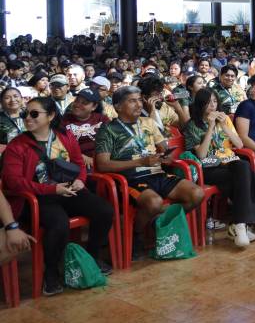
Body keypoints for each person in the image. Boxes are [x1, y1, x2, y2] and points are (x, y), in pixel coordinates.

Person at [2, 96, 115, 294]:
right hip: (37, 198)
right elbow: (14, 182)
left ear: (51, 116)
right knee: (58, 223)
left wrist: (80, 179)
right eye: (25, 113)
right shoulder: (17, 146)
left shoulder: (64, 136)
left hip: (68, 190)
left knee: (104, 210)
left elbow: (79, 163)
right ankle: (51, 272)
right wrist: (52, 189)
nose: (28, 118)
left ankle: (92, 255)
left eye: (34, 114)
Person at [95, 85, 203, 259]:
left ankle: (158, 224)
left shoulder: (149, 122)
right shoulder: (108, 130)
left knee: (196, 194)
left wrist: (166, 156)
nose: (139, 105)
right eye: (132, 101)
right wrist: (140, 162)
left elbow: (164, 147)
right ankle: (136, 234)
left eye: (139, 100)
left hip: (157, 173)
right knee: (154, 203)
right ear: (118, 106)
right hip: (130, 179)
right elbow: (103, 165)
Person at [182, 88, 255, 247]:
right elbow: (202, 155)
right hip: (208, 168)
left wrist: (224, 126)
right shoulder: (192, 125)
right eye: (208, 102)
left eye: (215, 101)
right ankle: (240, 227)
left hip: (228, 162)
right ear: (200, 105)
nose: (212, 105)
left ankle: (239, 225)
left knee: (244, 169)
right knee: (248, 176)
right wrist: (210, 127)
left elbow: (239, 144)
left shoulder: (223, 120)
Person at [60, 88, 111, 171]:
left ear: (94, 107)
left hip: (103, 159)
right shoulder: (64, 121)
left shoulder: (102, 119)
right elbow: (60, 146)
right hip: (78, 162)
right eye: (77, 101)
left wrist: (99, 159)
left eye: (84, 103)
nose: (78, 104)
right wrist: (81, 157)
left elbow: (112, 141)